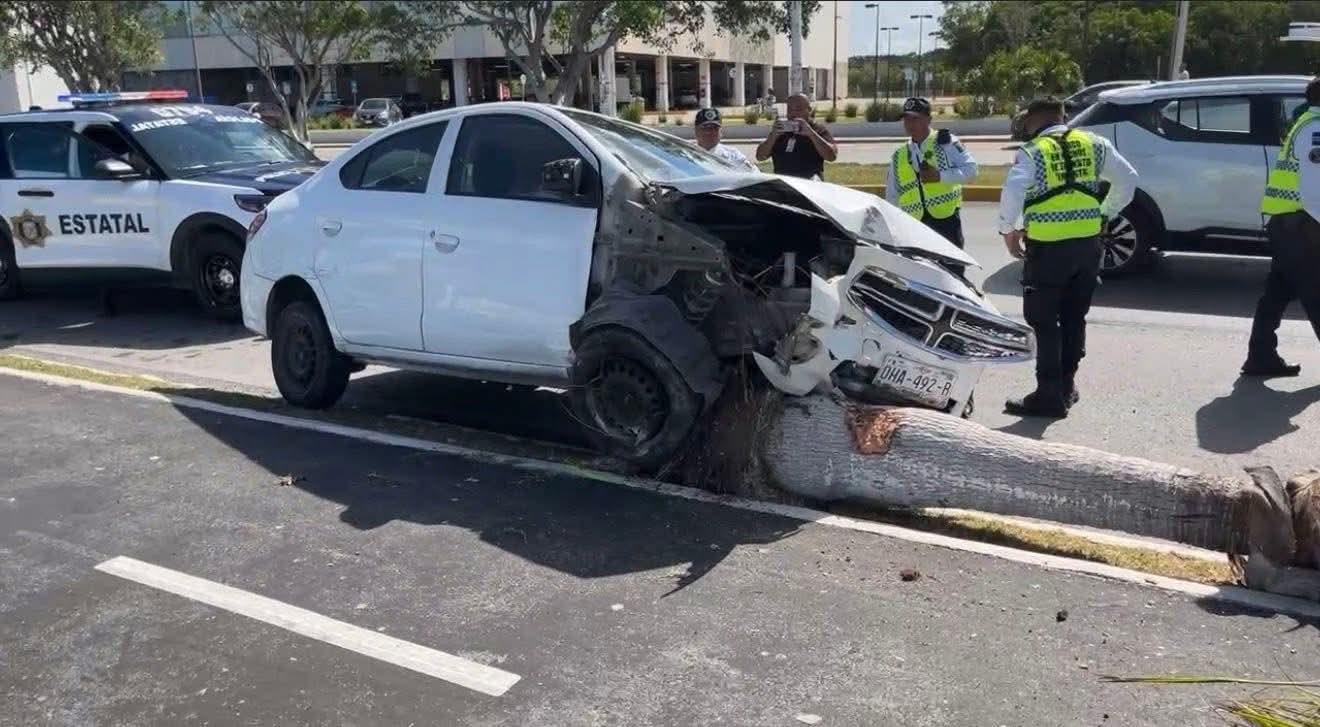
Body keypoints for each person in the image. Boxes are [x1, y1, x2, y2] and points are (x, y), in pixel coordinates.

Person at [998, 97, 1138, 418]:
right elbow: (1128, 178)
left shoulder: (1033, 151)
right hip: (1088, 246)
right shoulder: (1095, 144)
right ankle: (1066, 386)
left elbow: (1014, 191)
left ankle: (1048, 395)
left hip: (1048, 249)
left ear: (1032, 120)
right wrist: (1104, 212)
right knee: (1075, 317)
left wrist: (1009, 230)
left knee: (1045, 320)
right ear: (1062, 116)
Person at [1244, 76, 1320, 377]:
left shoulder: (1308, 124)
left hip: (1291, 224)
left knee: (1278, 291)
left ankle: (1260, 355)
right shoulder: (1315, 129)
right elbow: (1314, 188)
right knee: (1315, 293)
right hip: (1303, 224)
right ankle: (1260, 355)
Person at [885, 96, 979, 275]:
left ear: (928, 119)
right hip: (914, 226)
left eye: (915, 118)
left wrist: (940, 176)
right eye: (906, 119)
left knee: (953, 276)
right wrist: (893, 225)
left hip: (946, 222)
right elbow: (892, 194)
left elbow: (971, 170)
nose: (909, 124)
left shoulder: (945, 142)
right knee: (921, 278)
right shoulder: (899, 155)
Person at [756, 92, 837, 180]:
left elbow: (831, 156)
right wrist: (773, 136)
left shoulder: (817, 129)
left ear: (809, 110)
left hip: (809, 183)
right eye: (790, 109)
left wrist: (811, 134)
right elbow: (760, 157)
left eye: (798, 109)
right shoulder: (781, 130)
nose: (793, 113)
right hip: (785, 183)